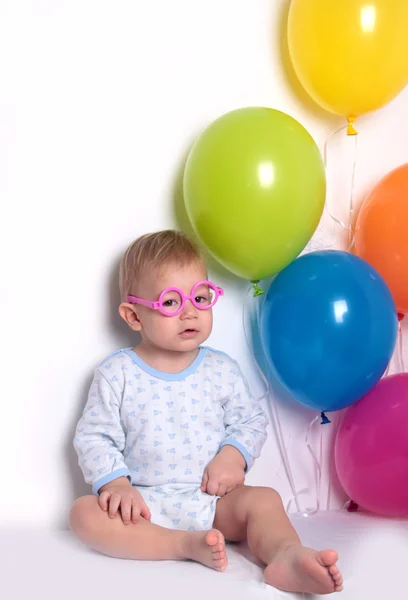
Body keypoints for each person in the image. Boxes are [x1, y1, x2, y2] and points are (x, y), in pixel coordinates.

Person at [70, 230, 343, 594]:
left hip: (213, 502)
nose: (189, 312)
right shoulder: (117, 374)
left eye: (200, 297)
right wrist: (116, 484)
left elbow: (250, 421)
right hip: (145, 508)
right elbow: (94, 436)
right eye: (170, 302)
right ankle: (181, 544)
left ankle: (286, 556)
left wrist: (233, 457)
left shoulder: (221, 370)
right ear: (133, 316)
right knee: (83, 514)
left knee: (265, 500)